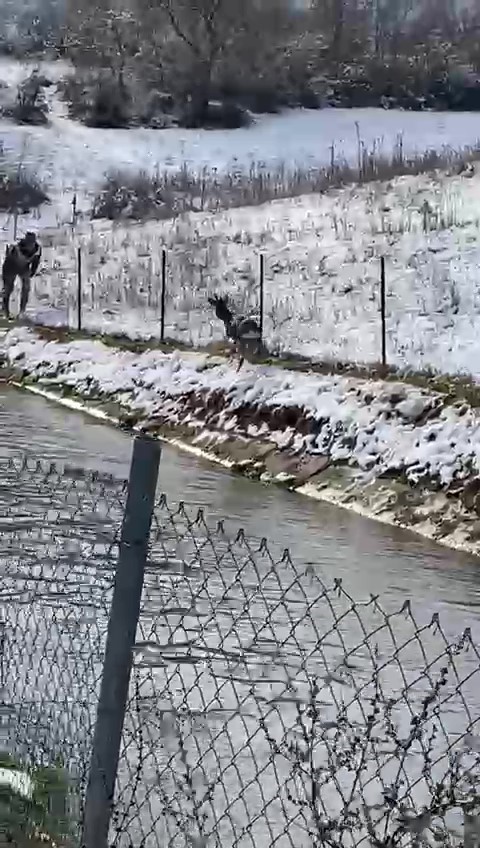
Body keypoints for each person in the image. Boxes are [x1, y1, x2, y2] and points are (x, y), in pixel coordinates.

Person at [2, 231, 42, 319]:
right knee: (8, 289)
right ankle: (5, 311)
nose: (30, 246)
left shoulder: (37, 249)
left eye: (32, 244)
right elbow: (7, 261)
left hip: (24, 268)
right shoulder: (16, 248)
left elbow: (36, 261)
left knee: (26, 288)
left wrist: (32, 271)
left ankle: (22, 311)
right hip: (10, 267)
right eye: (29, 244)